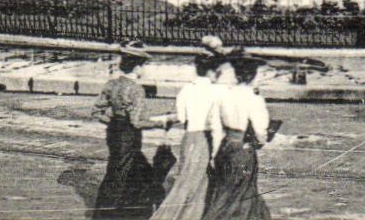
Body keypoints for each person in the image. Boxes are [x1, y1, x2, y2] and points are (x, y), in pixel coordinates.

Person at [152, 45, 224, 220]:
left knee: (187, 182)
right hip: (204, 140)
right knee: (197, 186)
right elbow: (216, 123)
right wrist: (216, 152)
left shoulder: (186, 89)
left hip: (189, 139)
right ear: (212, 71)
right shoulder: (216, 91)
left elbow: (182, 118)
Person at [92, 42, 162, 219]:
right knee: (126, 174)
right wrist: (160, 123)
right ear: (137, 66)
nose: (144, 69)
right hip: (129, 136)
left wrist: (115, 123)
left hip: (114, 132)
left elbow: (96, 111)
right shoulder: (136, 89)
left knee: (118, 170)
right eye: (144, 65)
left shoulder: (112, 84)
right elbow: (137, 122)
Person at [204, 50, 273, 220]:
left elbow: (216, 126)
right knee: (243, 194)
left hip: (225, 147)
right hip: (243, 148)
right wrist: (262, 138)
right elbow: (261, 131)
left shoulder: (224, 95)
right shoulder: (254, 99)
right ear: (253, 75)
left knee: (224, 192)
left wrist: (213, 153)